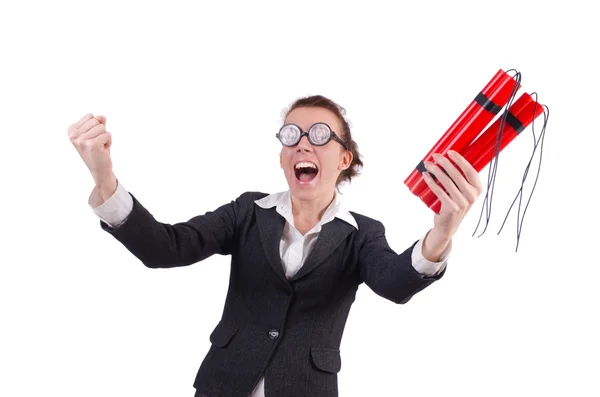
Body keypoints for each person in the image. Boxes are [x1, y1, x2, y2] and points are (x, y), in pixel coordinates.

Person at [68, 95, 482, 397]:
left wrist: (442, 232)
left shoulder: (362, 234)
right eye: (292, 135)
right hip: (223, 385)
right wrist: (105, 179)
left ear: (343, 159)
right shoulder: (247, 212)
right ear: (283, 157)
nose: (303, 143)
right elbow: (166, 248)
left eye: (320, 135)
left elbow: (395, 284)